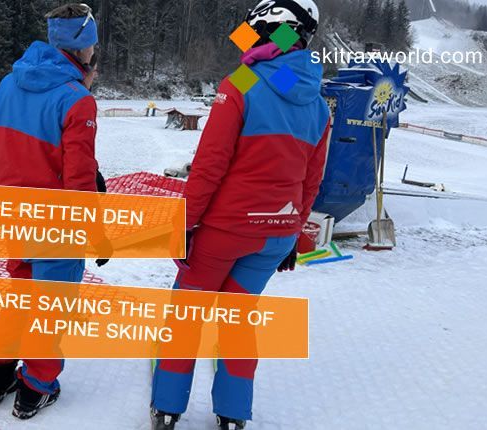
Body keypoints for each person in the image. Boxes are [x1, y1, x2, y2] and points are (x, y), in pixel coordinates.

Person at [150, 0, 331, 429]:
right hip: (276, 235)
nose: (244, 42)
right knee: (238, 321)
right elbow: (311, 182)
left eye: (251, 33)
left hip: (225, 230)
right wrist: (293, 233)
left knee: (187, 318)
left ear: (273, 30)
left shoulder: (242, 82)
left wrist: (184, 223)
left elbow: (209, 165)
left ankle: (168, 409)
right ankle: (233, 415)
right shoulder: (316, 103)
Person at [0, 3, 105, 420]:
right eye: (93, 45)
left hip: (15, 216)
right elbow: (80, 181)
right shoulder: (77, 100)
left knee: (21, 295)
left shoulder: (4, 88)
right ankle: (37, 385)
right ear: (85, 47)